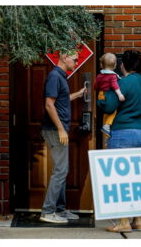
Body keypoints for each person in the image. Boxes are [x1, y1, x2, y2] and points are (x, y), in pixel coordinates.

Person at [97, 50, 141, 233]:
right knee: (137, 178)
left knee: (120, 178)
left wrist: (100, 102)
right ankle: (138, 220)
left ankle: (123, 222)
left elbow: (111, 105)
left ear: (122, 66)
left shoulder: (123, 83)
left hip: (123, 133)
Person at [40, 51, 87, 224]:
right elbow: (49, 104)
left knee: (62, 170)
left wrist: (78, 94)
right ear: (65, 58)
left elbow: (61, 100)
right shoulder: (54, 76)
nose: (76, 62)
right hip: (54, 130)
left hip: (58, 129)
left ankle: (59, 209)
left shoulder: (60, 76)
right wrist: (61, 129)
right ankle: (48, 211)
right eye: (74, 59)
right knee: (60, 170)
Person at [94, 53, 125, 138]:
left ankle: (105, 127)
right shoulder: (113, 76)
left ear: (101, 65)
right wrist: (120, 95)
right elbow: (115, 86)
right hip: (108, 96)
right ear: (115, 65)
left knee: (105, 112)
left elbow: (95, 86)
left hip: (101, 95)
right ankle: (107, 125)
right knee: (113, 111)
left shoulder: (99, 75)